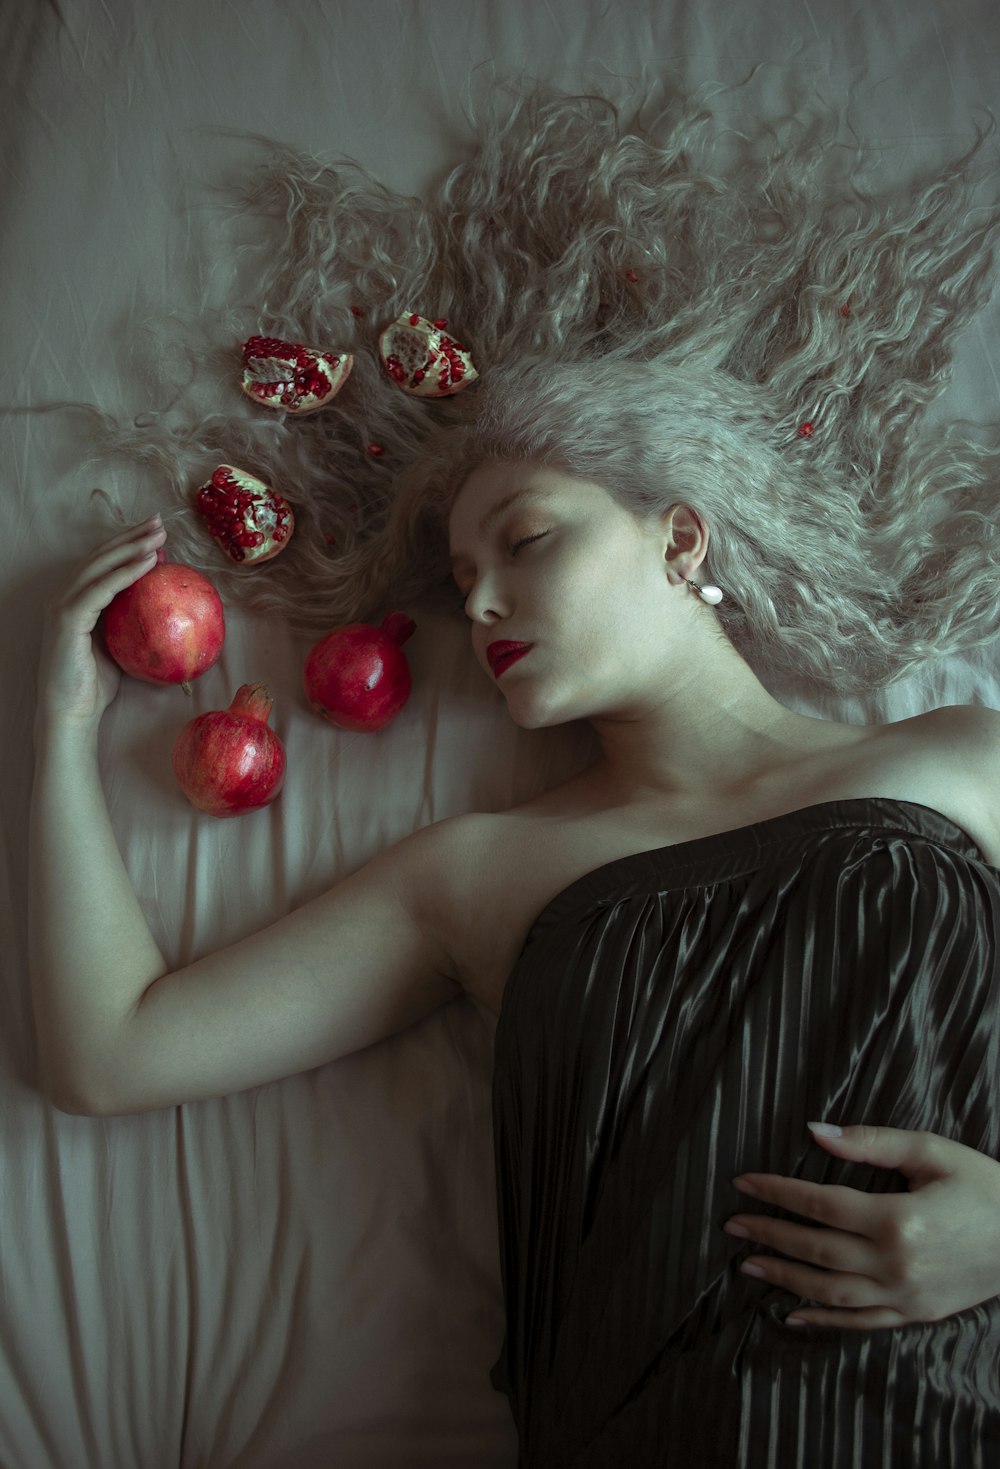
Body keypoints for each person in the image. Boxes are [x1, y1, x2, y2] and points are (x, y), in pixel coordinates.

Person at [29, 83, 1000, 1464]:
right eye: (463, 580)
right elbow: (111, 1050)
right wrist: (61, 727)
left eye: (527, 542)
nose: (480, 605)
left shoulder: (966, 762)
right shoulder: (479, 873)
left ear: (678, 537)